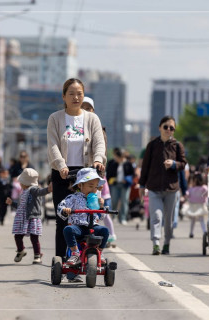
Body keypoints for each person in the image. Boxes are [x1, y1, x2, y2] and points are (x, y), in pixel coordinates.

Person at [47, 78, 106, 259]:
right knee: (63, 218)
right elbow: (53, 146)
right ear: (64, 96)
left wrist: (97, 160)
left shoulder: (91, 118)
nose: (75, 97)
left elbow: (99, 143)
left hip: (86, 174)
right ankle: (61, 260)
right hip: (62, 173)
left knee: (88, 218)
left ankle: (85, 257)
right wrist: (61, 165)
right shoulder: (55, 118)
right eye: (71, 93)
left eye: (79, 93)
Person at [139, 115, 187, 255]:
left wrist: (173, 164)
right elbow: (145, 166)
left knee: (169, 220)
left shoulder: (177, 146)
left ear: (174, 130)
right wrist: (142, 185)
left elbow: (183, 164)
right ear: (160, 128)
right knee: (156, 216)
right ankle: (156, 243)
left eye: (171, 128)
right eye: (165, 127)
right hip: (154, 188)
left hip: (171, 189)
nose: (168, 130)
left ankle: (167, 243)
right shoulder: (152, 145)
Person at [81, 96, 117, 245]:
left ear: (94, 111)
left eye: (89, 108)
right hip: (77, 175)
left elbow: (102, 154)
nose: (86, 111)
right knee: (78, 206)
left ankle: (100, 238)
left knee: (94, 207)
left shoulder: (99, 129)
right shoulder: (74, 127)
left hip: (94, 173)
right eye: (83, 108)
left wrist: (100, 177)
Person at [57, 168, 109, 265]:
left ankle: (100, 252)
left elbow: (101, 217)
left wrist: (101, 207)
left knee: (105, 231)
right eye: (90, 186)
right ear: (80, 185)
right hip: (79, 227)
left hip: (93, 226)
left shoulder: (96, 199)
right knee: (68, 229)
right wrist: (65, 210)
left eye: (95, 187)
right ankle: (75, 253)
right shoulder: (73, 198)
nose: (93, 189)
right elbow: (61, 206)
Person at [10, 168, 52, 264]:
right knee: (18, 236)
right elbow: (21, 206)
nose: (20, 184)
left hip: (32, 217)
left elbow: (40, 192)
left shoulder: (32, 189)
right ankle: (21, 250)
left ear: (25, 182)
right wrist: (12, 203)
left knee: (34, 237)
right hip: (22, 219)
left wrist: (48, 190)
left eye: (21, 182)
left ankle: (37, 255)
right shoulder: (24, 192)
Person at [106, 148, 134, 225]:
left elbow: (132, 174)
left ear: (122, 157)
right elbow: (109, 174)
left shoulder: (128, 164)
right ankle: (113, 216)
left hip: (125, 185)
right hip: (115, 184)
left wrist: (126, 179)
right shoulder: (113, 163)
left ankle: (123, 218)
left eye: (117, 157)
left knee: (124, 201)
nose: (116, 159)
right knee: (114, 200)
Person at [183, 172, 208, 238]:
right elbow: (207, 194)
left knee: (193, 220)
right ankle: (204, 231)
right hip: (200, 206)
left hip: (193, 206)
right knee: (201, 219)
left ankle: (191, 232)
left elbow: (187, 195)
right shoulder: (204, 188)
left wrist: (184, 198)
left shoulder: (191, 189)